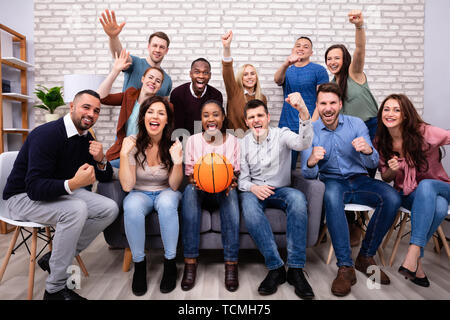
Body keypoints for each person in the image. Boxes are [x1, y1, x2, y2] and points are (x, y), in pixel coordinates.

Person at [2, 90, 119, 300]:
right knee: (76, 209)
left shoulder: (85, 137)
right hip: (21, 198)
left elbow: (105, 177)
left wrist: (101, 159)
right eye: (86, 107)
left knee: (109, 208)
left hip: (56, 194)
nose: (91, 114)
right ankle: (54, 290)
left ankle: (54, 259)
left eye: (96, 111)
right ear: (72, 106)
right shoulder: (46, 134)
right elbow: (34, 188)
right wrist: (73, 183)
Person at [301, 83, 401, 297]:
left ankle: (365, 256)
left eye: (332, 103)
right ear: (317, 106)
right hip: (333, 181)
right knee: (331, 196)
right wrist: (311, 161)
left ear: (340, 105)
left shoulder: (356, 124)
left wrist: (367, 151)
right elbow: (307, 174)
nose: (328, 108)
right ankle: (345, 267)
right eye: (323, 103)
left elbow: (373, 160)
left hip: (360, 180)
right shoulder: (310, 130)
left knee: (392, 197)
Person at [238, 94, 315, 300]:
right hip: (255, 191)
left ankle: (296, 270)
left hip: (281, 190)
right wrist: (253, 188)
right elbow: (242, 180)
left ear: (268, 117)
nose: (256, 120)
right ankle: (276, 268)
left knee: (298, 199)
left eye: (260, 115)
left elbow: (303, 144)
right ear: (246, 121)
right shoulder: (242, 143)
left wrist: (304, 114)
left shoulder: (282, 134)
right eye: (252, 117)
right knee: (248, 206)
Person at [375, 93, 450, 287]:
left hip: (442, 187)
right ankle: (416, 262)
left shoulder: (424, 132)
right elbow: (385, 177)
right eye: (387, 109)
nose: (390, 113)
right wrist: (391, 170)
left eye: (396, 110)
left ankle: (412, 252)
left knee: (427, 185)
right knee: (440, 208)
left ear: (406, 115)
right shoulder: (382, 141)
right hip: (409, 194)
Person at [324, 10, 380, 245]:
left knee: (367, 175)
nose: (333, 62)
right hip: (351, 133)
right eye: (329, 59)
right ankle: (350, 223)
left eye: (337, 58)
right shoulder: (332, 85)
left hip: (372, 127)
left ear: (344, 59)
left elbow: (360, 50)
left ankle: (360, 222)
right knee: (346, 176)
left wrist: (359, 26)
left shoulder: (354, 73)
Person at [119, 96, 183, 295]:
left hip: (166, 191)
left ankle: (170, 263)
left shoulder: (173, 144)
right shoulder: (131, 143)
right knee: (130, 206)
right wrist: (123, 155)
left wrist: (178, 161)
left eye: (161, 113)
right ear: (143, 117)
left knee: (166, 204)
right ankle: (139, 265)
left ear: (166, 121)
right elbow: (128, 186)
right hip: (139, 192)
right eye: (150, 112)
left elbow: (173, 186)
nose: (155, 116)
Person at [180, 100, 240, 292]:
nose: (211, 119)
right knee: (189, 191)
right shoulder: (192, 141)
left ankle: (231, 264)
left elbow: (235, 172)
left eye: (215, 114)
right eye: (206, 115)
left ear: (223, 118)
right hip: (200, 189)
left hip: (223, 190)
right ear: (201, 119)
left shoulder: (233, 141)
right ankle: (190, 262)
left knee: (231, 194)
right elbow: (190, 173)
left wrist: (229, 180)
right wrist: (197, 180)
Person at [97, 49, 165, 166]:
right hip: (122, 152)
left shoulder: (159, 107)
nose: (153, 82)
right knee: (103, 169)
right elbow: (102, 97)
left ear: (159, 87)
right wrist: (115, 71)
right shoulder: (130, 95)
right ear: (143, 79)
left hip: (145, 157)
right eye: (150, 77)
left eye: (157, 81)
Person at [274, 35, 328, 169]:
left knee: (309, 168)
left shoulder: (319, 70)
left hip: (309, 125)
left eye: (306, 46)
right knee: (285, 168)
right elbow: (277, 80)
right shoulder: (287, 70)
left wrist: (313, 124)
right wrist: (286, 63)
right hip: (287, 126)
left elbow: (322, 100)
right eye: (298, 46)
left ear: (311, 52)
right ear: (293, 49)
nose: (301, 48)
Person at [99, 9, 172, 96]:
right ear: (148, 47)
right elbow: (119, 55)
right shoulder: (135, 63)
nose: (157, 50)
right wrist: (113, 37)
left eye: (162, 47)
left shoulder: (167, 80)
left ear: (166, 51)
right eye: (154, 45)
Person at [221, 30, 267, 136]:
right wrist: (226, 48)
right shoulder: (234, 92)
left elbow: (263, 123)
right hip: (234, 140)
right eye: (245, 74)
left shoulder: (262, 98)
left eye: (252, 73)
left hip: (255, 142)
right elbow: (227, 70)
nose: (249, 77)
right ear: (240, 78)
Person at [170, 58, 223, 135]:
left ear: (210, 75)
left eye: (205, 72)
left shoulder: (216, 95)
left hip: (206, 140)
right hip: (182, 140)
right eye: (197, 72)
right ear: (190, 74)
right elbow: (175, 124)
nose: (201, 76)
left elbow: (215, 124)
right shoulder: (177, 94)